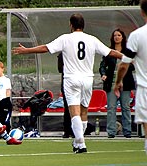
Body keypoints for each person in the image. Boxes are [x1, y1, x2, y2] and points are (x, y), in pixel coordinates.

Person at [12, 13, 124, 153]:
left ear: (71, 25)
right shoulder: (92, 39)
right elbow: (110, 52)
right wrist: (127, 57)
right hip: (88, 79)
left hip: (71, 79)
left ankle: (81, 143)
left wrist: (26, 50)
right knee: (84, 111)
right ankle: (78, 142)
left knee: (74, 112)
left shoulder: (65, 38)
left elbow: (46, 48)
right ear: (83, 25)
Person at [114, 0, 147, 155]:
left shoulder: (137, 35)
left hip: (145, 89)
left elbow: (123, 64)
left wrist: (118, 81)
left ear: (142, 12)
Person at [99, 29, 135, 138]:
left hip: (126, 82)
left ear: (122, 37)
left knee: (125, 107)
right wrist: (103, 74)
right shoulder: (109, 51)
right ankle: (111, 131)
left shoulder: (127, 51)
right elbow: (102, 65)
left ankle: (127, 131)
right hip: (112, 82)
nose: (117, 37)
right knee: (111, 107)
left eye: (119, 35)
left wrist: (125, 67)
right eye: (115, 35)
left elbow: (133, 65)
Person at [58, 53, 74, 138]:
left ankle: (76, 130)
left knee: (77, 107)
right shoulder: (63, 54)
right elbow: (60, 69)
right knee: (68, 107)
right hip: (67, 83)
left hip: (77, 82)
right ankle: (67, 130)